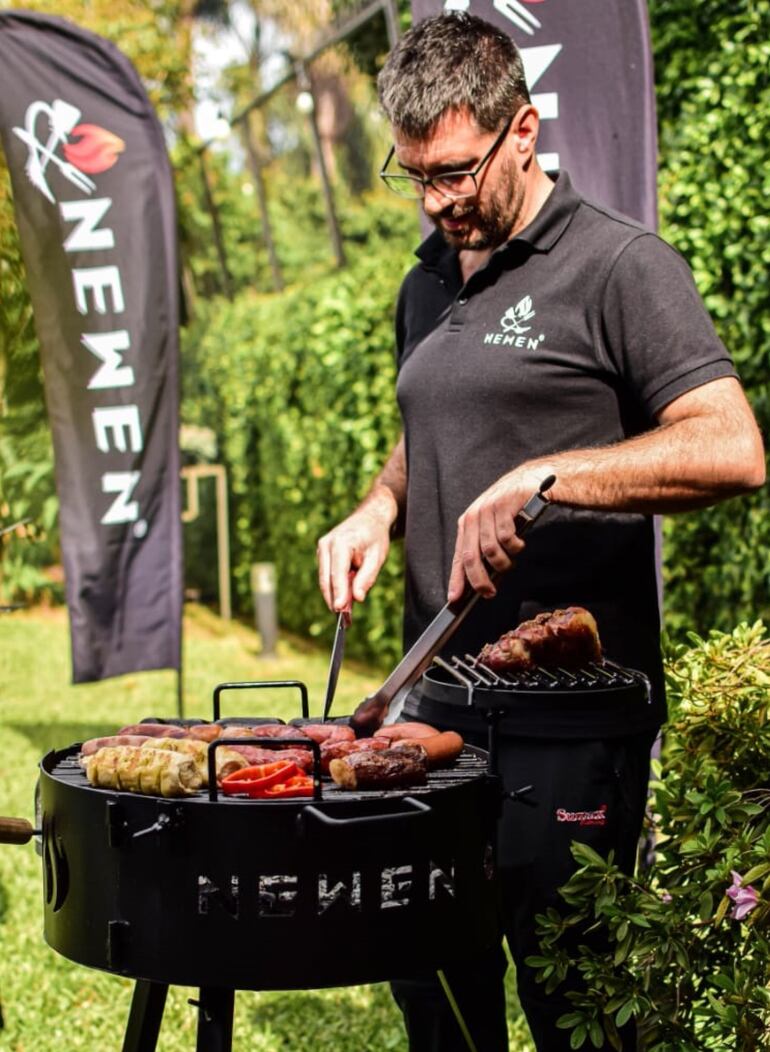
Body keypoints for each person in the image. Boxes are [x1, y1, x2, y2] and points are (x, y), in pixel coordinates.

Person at [316, 13, 765, 1051]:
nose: (437, 202)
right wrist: (378, 506)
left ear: (523, 129)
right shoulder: (425, 278)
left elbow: (730, 447)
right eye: (415, 175)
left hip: (568, 726)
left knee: (571, 1007)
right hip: (434, 701)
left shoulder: (617, 266)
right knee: (429, 983)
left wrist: (545, 474)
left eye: (456, 172)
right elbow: (426, 425)